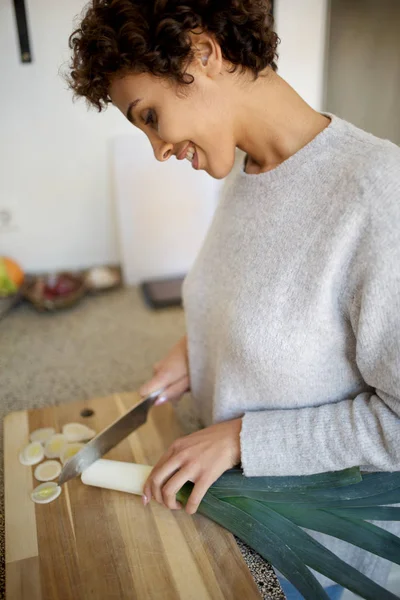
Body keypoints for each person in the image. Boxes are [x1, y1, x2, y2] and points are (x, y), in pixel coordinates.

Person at [67, 1, 400, 598]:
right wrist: (196, 349)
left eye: (150, 116)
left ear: (203, 52)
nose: (157, 148)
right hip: (227, 504)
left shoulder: (375, 191)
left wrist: (245, 438)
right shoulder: (247, 171)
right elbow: (267, 307)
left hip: (315, 546)